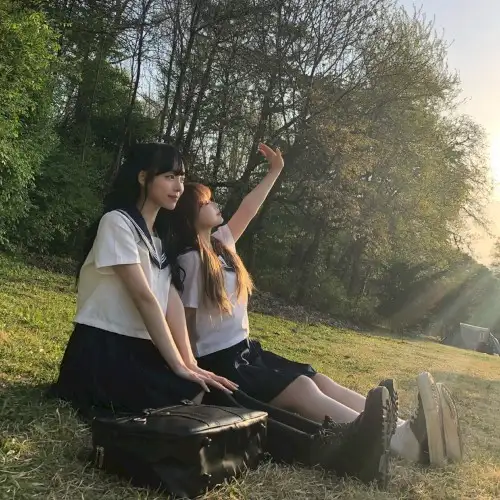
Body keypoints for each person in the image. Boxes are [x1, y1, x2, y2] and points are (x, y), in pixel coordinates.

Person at [172, 143, 463, 468]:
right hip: (222, 364)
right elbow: (185, 325)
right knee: (301, 390)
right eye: (205, 202)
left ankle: (406, 429)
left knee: (318, 379)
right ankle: (399, 442)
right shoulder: (190, 261)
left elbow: (249, 207)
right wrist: (191, 374)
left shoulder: (221, 244)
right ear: (189, 215)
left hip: (246, 351)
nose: (215, 204)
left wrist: (275, 172)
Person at [49, 143, 237, 419]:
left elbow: (171, 301)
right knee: (192, 397)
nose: (179, 187)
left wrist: (189, 362)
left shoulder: (160, 240)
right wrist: (177, 365)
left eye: (182, 179)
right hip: (103, 349)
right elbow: (144, 297)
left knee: (211, 392)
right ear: (143, 177)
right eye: (169, 177)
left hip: (141, 349)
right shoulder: (116, 223)